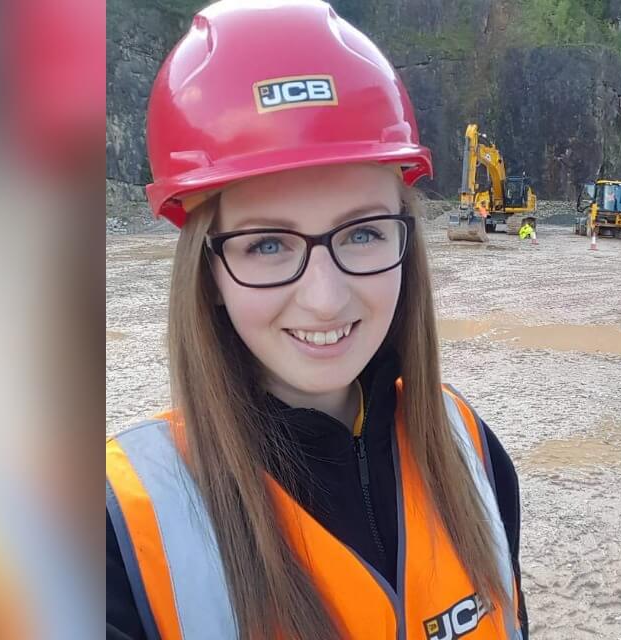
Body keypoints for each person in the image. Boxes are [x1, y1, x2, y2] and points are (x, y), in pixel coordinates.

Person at [105, 2, 527, 639]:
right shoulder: (120, 535)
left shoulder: (470, 451)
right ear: (208, 273)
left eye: (362, 233)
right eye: (268, 244)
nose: (325, 299)